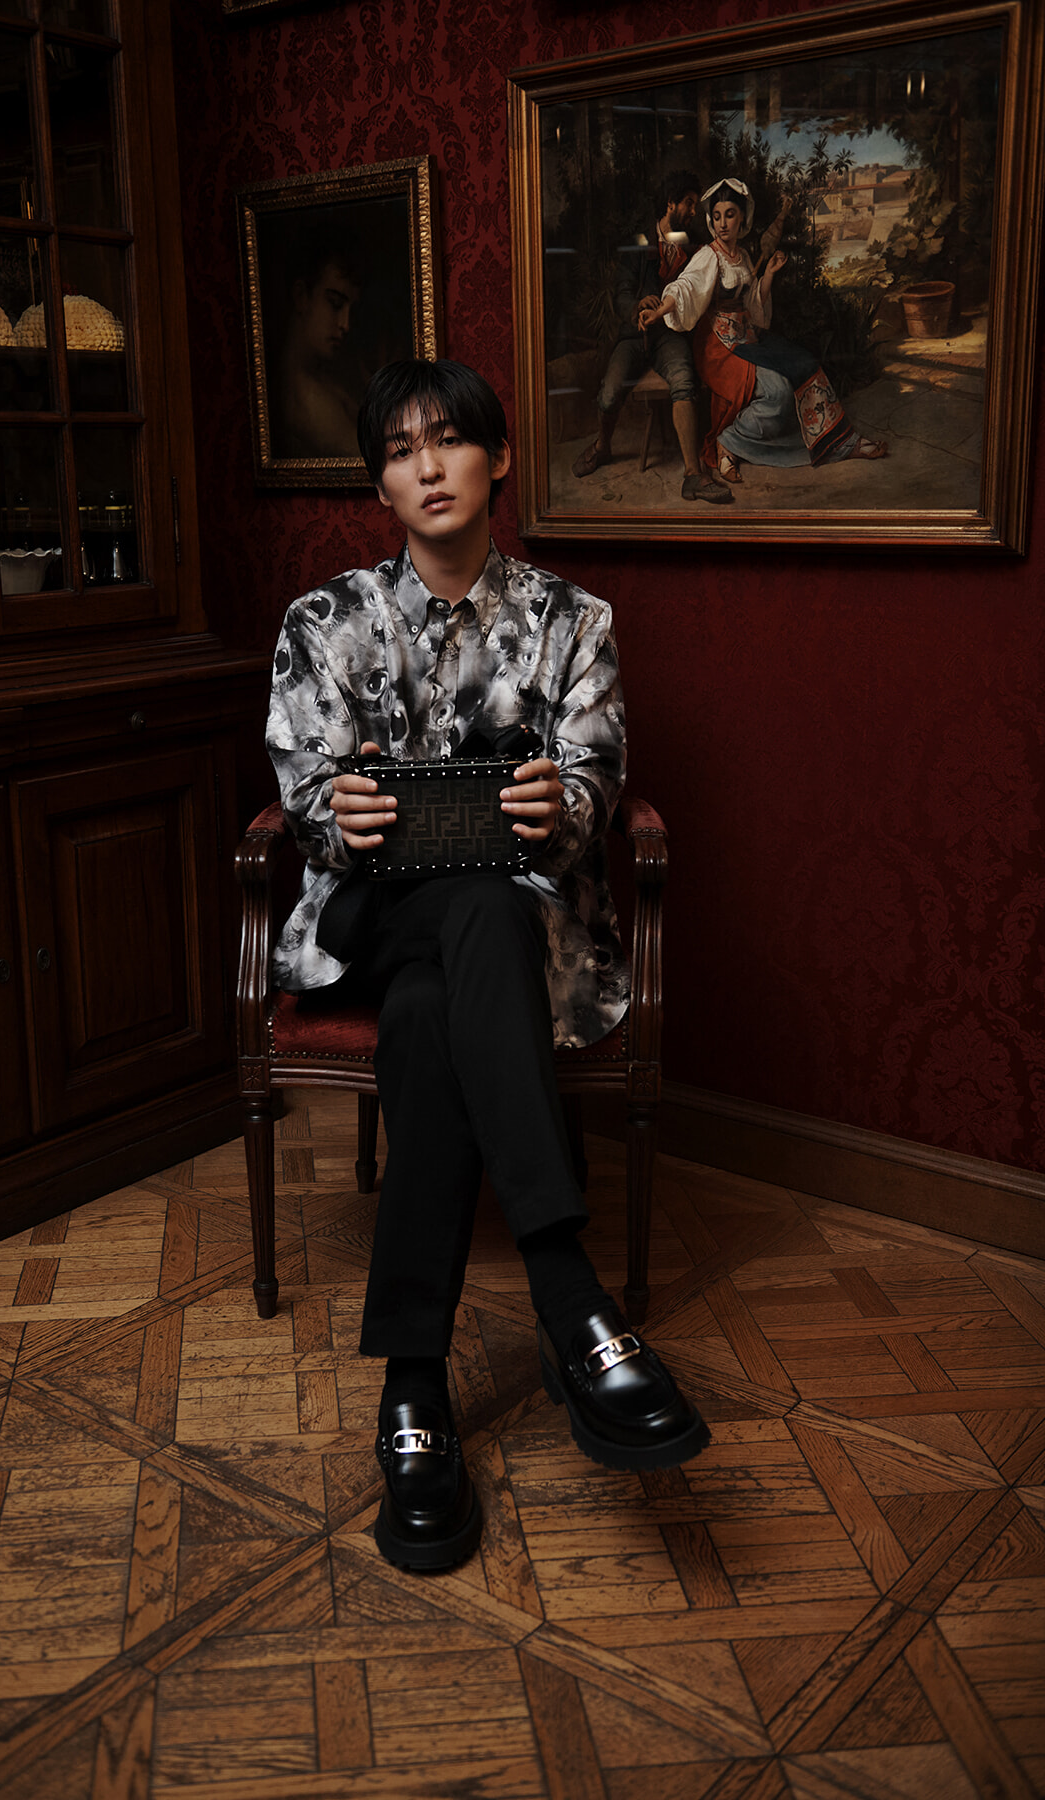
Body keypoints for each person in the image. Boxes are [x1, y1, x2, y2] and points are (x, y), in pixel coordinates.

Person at [266, 358, 709, 1575]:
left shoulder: (575, 621)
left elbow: (599, 780)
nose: (427, 466)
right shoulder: (323, 621)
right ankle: (572, 1303)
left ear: (497, 458)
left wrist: (560, 807)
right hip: (369, 922)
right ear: (381, 486)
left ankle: (413, 1388)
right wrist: (337, 814)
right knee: (466, 916)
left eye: (449, 440)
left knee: (442, 989)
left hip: (512, 935)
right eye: (399, 450)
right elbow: (301, 794)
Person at [640, 178, 887, 481]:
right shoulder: (708, 255)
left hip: (748, 337)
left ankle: (842, 443)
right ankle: (727, 442)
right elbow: (685, 288)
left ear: (742, 217)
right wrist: (660, 310)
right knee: (779, 392)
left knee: (807, 365)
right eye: (716, 216)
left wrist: (768, 274)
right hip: (718, 347)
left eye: (729, 214)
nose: (722, 224)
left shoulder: (743, 256)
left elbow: (753, 305)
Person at [571, 171, 731, 504]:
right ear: (670, 203)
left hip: (670, 335)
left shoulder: (693, 243)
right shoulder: (640, 241)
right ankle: (603, 446)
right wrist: (636, 305)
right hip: (634, 335)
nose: (693, 211)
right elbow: (621, 292)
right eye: (688, 203)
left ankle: (692, 475)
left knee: (684, 380)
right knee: (609, 393)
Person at [273, 234, 365, 458]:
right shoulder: (305, 400)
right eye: (335, 304)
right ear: (301, 296)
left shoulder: (324, 381)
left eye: (351, 310)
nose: (345, 325)